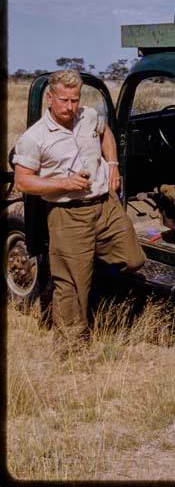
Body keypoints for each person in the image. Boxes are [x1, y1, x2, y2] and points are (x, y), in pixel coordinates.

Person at [13, 69, 145, 356]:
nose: (71, 107)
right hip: (68, 213)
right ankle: (72, 350)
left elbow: (105, 132)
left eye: (75, 100)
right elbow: (22, 180)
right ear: (50, 98)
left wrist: (112, 164)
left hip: (104, 206)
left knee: (133, 259)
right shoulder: (34, 138)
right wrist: (64, 183)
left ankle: (81, 276)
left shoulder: (88, 117)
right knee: (71, 285)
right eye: (64, 100)